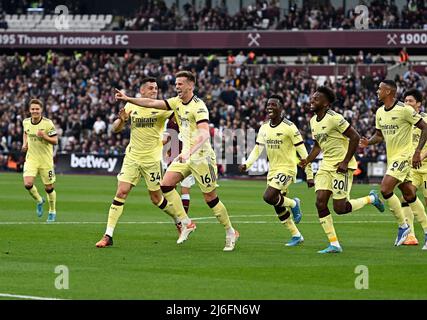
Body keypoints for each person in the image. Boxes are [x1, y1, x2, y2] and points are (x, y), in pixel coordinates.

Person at [115, 71, 239, 251]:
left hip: (201, 157)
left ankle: (230, 231)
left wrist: (189, 152)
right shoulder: (176, 102)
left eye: (180, 84)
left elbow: (204, 133)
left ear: (191, 85)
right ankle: (186, 222)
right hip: (185, 157)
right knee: (165, 185)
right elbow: (150, 103)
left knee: (210, 198)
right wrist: (128, 98)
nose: (177, 87)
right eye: (176, 84)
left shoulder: (199, 106)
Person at [96, 78, 183, 248]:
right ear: (142, 91)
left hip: (152, 160)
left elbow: (178, 122)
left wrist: (168, 137)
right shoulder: (131, 106)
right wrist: (121, 120)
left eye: (156, 88)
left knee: (156, 198)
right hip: (132, 157)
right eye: (150, 88)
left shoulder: (161, 107)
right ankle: (108, 235)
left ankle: (178, 220)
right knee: (121, 192)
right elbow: (115, 129)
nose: (154, 91)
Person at [300, 86, 384, 254]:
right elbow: (318, 145)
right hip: (326, 165)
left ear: (325, 103)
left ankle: (371, 198)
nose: (311, 101)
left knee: (340, 208)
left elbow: (355, 137)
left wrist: (345, 161)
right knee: (320, 202)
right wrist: (307, 160)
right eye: (312, 98)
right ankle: (334, 244)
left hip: (341, 166)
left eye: (316, 99)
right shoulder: (312, 121)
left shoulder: (335, 118)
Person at [360, 80, 427, 248]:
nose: (377, 91)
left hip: (404, 157)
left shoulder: (405, 110)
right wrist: (369, 142)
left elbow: (425, 127)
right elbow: (379, 135)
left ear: (388, 91)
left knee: (385, 188)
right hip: (392, 158)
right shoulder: (380, 112)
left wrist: (418, 151)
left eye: (380, 89)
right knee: (409, 195)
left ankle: (403, 226)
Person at [239, 95, 314, 246]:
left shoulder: (290, 127)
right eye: (268, 105)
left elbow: (303, 152)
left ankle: (294, 204)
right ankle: (296, 235)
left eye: (273, 104)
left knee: (268, 196)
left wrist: (309, 174)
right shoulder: (264, 127)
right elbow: (257, 149)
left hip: (287, 169)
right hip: (273, 170)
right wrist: (247, 164)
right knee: (277, 204)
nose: (270, 107)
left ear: (281, 108)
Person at [22, 99, 58, 222]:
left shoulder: (48, 123)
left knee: (49, 188)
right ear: (29, 110)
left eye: (37, 109)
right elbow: (25, 133)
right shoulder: (26, 122)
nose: (35, 111)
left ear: (41, 110)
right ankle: (39, 200)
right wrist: (24, 144)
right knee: (27, 184)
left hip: (46, 160)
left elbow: (55, 141)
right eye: (33, 109)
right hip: (31, 158)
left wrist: (44, 136)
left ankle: (52, 211)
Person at [399, 89, 427, 248]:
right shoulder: (405, 122)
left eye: (410, 101)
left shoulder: (425, 120)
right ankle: (410, 235)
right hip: (412, 169)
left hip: (426, 167)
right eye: (405, 101)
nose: (407, 103)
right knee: (406, 197)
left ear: (419, 104)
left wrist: (421, 156)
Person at [163, 115, 195, 218]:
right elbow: (169, 139)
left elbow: (167, 139)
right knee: (172, 187)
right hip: (176, 156)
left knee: (184, 187)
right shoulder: (173, 123)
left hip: (186, 157)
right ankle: (181, 216)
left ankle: (183, 218)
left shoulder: (183, 122)